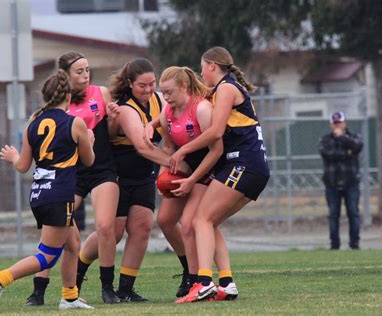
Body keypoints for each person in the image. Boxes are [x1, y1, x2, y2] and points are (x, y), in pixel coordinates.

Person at [75, 58, 190, 302]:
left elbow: (168, 136)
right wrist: (177, 163)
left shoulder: (160, 100)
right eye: (142, 86)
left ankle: (126, 289)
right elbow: (143, 147)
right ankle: (77, 271)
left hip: (144, 175)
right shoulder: (126, 108)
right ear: (130, 84)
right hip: (117, 175)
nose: (149, 90)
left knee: (142, 228)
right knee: (113, 233)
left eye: (152, 84)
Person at [0, 70, 95, 312]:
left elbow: (22, 166)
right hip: (59, 194)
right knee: (47, 257)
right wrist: (90, 141)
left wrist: (12, 157)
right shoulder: (75, 123)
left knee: (73, 244)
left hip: (39, 194)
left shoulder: (34, 123)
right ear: (67, 95)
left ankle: (70, 297)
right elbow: (89, 160)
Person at [168, 47, 270, 302]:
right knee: (209, 222)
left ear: (212, 65)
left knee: (200, 219)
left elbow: (215, 133)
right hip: (250, 166)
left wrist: (183, 151)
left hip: (243, 164)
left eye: (203, 67)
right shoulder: (220, 90)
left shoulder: (226, 88)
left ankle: (203, 283)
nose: (201, 72)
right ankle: (226, 283)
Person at [26, 51, 121, 305]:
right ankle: (38, 291)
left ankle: (108, 288)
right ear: (65, 76)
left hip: (101, 169)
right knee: (55, 233)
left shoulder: (101, 94)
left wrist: (113, 120)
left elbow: (111, 135)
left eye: (88, 69)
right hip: (72, 175)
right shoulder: (58, 105)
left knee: (104, 226)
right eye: (79, 71)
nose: (86, 75)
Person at [148, 66, 236, 302]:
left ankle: (199, 281)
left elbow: (216, 150)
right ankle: (194, 272)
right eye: (162, 93)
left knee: (190, 223)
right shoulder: (167, 112)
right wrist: (164, 176)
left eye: (169, 92)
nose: (165, 98)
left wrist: (191, 179)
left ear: (185, 87)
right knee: (165, 220)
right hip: (186, 172)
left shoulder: (202, 108)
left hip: (208, 169)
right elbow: (169, 148)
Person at [318, 111, 363, 250]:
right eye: (335, 123)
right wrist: (347, 153)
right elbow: (327, 153)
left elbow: (357, 147)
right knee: (333, 214)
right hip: (332, 183)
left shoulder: (354, 137)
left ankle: (354, 244)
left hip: (351, 183)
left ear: (345, 123)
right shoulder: (325, 139)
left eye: (340, 122)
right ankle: (334, 245)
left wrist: (342, 138)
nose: (337, 125)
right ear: (331, 124)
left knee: (353, 213)